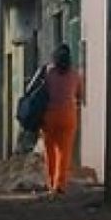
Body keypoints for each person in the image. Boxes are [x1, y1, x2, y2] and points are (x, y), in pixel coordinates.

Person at [27, 44, 84, 197]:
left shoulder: (47, 72)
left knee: (50, 151)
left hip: (50, 116)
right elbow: (79, 95)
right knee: (64, 152)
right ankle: (60, 185)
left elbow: (30, 89)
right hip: (68, 116)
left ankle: (51, 183)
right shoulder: (75, 75)